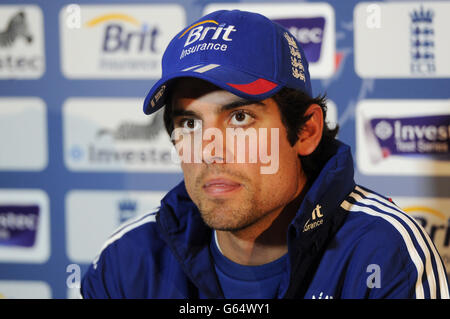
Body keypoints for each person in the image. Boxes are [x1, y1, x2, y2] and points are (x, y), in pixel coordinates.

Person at [81, 9, 449, 299]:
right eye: (190, 123)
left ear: (306, 131)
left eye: (239, 118)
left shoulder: (386, 253)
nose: (210, 150)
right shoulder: (126, 263)